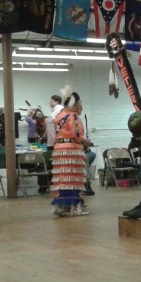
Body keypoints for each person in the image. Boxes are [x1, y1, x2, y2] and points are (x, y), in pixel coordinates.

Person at [50, 88, 89, 217]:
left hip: (59, 150)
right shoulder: (73, 116)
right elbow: (77, 135)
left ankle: (61, 207)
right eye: (80, 104)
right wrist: (86, 141)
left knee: (63, 179)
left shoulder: (59, 115)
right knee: (74, 178)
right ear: (74, 105)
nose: (81, 107)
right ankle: (75, 207)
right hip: (71, 150)